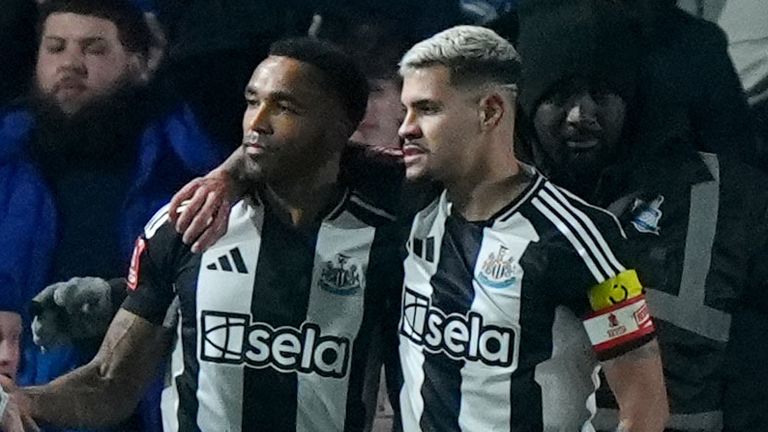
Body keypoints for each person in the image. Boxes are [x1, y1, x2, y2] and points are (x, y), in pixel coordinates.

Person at [158, 25, 670, 432]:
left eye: (426, 109)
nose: (404, 128)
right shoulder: (405, 200)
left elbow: (644, 410)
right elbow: (301, 150)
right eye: (404, 109)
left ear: (490, 111)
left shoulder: (581, 238)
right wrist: (226, 176)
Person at [0, 37, 405, 432]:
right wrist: (20, 400)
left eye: (284, 106)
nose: (257, 123)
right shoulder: (190, 222)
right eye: (252, 101)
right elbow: (109, 382)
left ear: (340, 127)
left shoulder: (395, 225)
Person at [516, 0, 768, 430]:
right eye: (558, 96)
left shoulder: (724, 204)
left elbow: (754, 366)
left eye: (601, 94)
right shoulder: (483, 204)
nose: (581, 115)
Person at [0, 0, 225, 430]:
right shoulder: (7, 159)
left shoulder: (184, 162)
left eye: (94, 49)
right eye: (56, 47)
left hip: (147, 398)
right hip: (23, 398)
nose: (71, 63)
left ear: (139, 64)